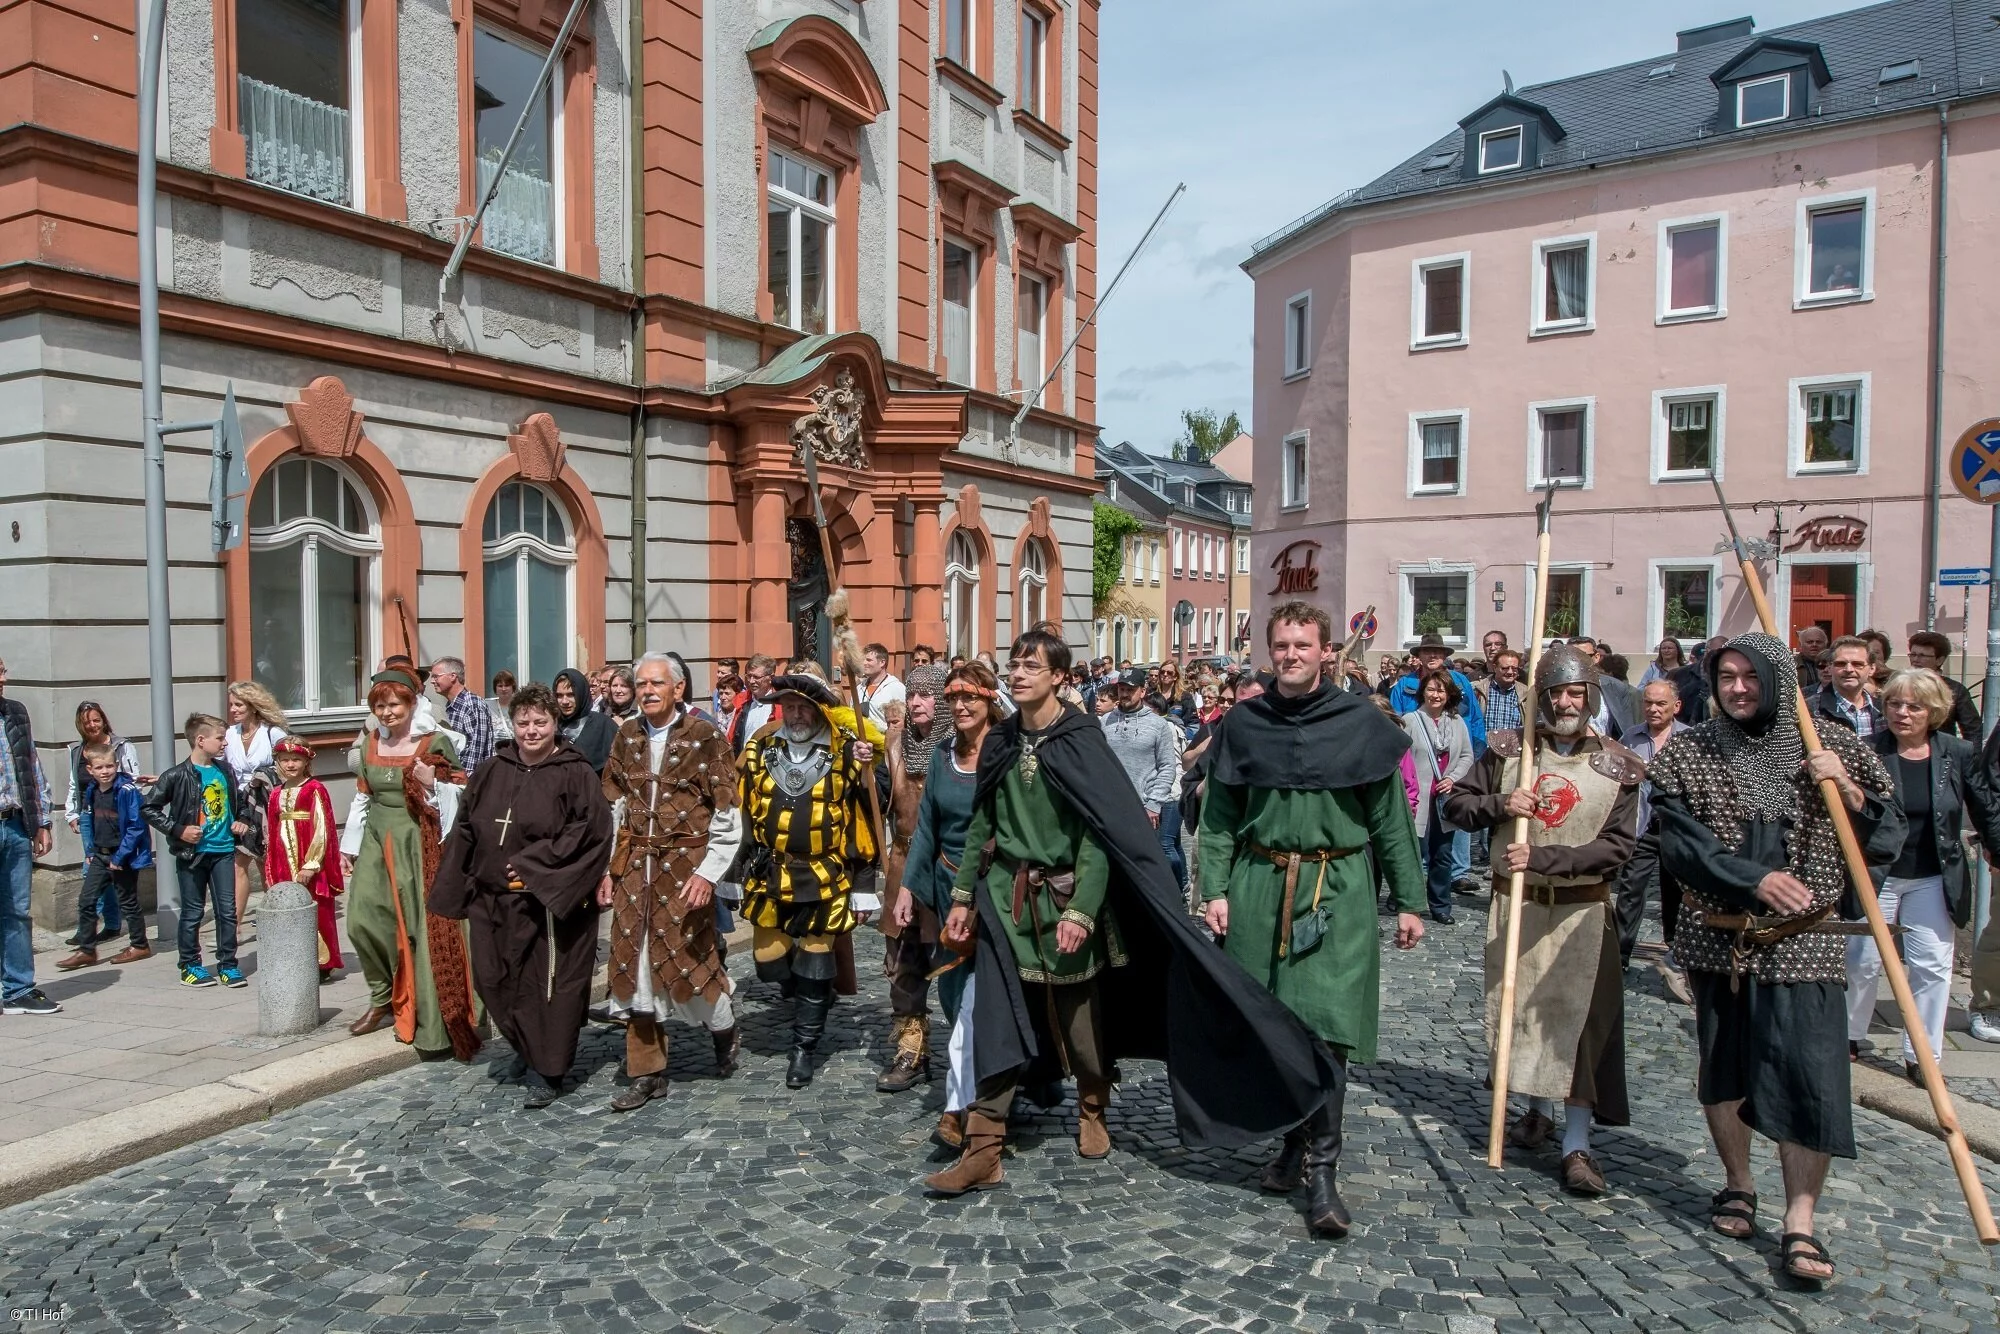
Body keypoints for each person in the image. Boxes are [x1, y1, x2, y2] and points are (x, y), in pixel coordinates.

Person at [925, 627, 1339, 1206]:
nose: (1017, 675)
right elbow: (982, 828)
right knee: (996, 1013)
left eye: (1030, 667)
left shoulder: (1079, 740)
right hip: (1005, 900)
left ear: (1059, 678)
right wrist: (965, 895)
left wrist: (1083, 909)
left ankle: (1093, 1103)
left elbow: (1102, 836)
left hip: (1068, 899)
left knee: (1079, 1019)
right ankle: (983, 1149)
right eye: (1013, 665)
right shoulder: (999, 742)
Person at [1649, 632, 1903, 1287]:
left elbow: (1887, 835)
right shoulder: (1692, 749)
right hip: (1720, 935)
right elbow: (1680, 844)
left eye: (1750, 677)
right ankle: (1738, 1182)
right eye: (1727, 676)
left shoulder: (1834, 743)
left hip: (1806, 939)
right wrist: (1750, 879)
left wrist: (1844, 788)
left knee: (1810, 1078)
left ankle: (1801, 1220)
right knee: (1725, 1070)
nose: (1737, 688)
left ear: (1780, 681)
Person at [1197, 603, 1426, 1237]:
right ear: (1269, 650)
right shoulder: (1245, 723)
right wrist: (1211, 889)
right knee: (1271, 1029)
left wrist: (1410, 900)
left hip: (1337, 890)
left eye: (1303, 644)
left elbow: (1390, 823)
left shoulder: (1359, 723)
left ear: (1327, 651)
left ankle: (1322, 1171)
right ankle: (1294, 1143)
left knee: (1326, 1031)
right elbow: (1217, 819)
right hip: (1258, 886)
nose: (1292, 654)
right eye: (1282, 644)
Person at [1442, 646, 1644, 1197]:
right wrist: (1502, 803)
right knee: (1520, 1011)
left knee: (1579, 1026)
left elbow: (1617, 849)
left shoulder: (1619, 766)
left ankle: (1577, 1145)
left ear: (1592, 696)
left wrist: (1548, 859)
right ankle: (1533, 1108)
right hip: (1519, 904)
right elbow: (1456, 807)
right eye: (1555, 692)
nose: (1564, 702)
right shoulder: (1509, 752)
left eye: (1575, 691)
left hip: (1583, 910)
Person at [430, 684, 611, 1108]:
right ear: (512, 724)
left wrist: (536, 866)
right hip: (492, 899)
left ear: (554, 724)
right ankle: (526, 1048)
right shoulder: (495, 767)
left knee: (544, 987)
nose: (531, 731)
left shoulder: (574, 771)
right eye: (523, 722)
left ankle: (547, 1068)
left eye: (540, 722)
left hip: (547, 903)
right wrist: (454, 886)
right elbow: (467, 827)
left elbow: (589, 832)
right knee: (493, 980)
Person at [595, 653, 743, 1111]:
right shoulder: (627, 736)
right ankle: (648, 1073)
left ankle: (724, 1031)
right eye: (641, 684)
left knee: (692, 967)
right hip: (635, 870)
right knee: (633, 968)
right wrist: (606, 869)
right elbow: (612, 809)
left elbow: (727, 813)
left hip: (684, 871)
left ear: (679, 688)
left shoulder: (706, 737)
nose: (647, 691)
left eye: (656, 683)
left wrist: (707, 873)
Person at [1847, 670, 2000, 1079]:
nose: (1902, 713)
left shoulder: (1957, 752)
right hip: (1877, 873)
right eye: (1894, 703)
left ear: (1933, 711)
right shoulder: (1867, 750)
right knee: (1862, 960)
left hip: (1934, 874)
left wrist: (1996, 846)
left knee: (1931, 965)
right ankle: (1850, 1033)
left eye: (1913, 706)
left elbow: (1983, 802)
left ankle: (1923, 1056)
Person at [738, 672, 880, 1088]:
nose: (796, 714)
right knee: (768, 961)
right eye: (790, 707)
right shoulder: (762, 748)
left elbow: (867, 819)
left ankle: (804, 1047)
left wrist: (864, 886)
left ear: (820, 711)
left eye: (805, 707)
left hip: (825, 874)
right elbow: (742, 813)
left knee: (817, 962)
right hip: (770, 870)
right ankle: (809, 991)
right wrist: (733, 871)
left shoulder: (847, 756)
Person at [337, 668, 480, 1059]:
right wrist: (348, 847)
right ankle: (384, 995)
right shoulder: (369, 745)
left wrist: (432, 783)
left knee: (418, 927)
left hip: (419, 843)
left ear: (412, 703)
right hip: (376, 841)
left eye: (394, 704)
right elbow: (364, 797)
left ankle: (426, 1012)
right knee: (362, 920)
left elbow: (464, 793)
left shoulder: (433, 742)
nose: (386, 713)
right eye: (379, 706)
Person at [888, 664, 995, 1136]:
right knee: (953, 993)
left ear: (989, 700)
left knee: (993, 995)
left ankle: (997, 1091)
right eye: (952, 698)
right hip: (941, 886)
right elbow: (926, 823)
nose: (959, 706)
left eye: (968, 697)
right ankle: (965, 1094)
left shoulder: (1004, 752)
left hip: (994, 889)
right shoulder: (941, 756)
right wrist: (909, 887)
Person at [877, 663, 955, 1095]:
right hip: (904, 861)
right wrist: (866, 772)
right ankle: (911, 1047)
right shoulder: (894, 743)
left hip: (949, 867)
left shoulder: (961, 747)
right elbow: (883, 799)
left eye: (926, 695)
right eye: (911, 694)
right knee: (903, 962)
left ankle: (973, 1045)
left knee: (960, 959)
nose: (916, 702)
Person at [142, 713, 249, 989]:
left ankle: (228, 964)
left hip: (223, 850)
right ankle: (190, 965)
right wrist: (178, 830)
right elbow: (148, 808)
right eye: (220, 738)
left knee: (227, 910)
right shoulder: (177, 775)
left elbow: (240, 804)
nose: (225, 743)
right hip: (193, 854)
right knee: (193, 912)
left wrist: (241, 821)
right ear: (200, 740)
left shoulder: (225, 771)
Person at [55, 742, 153, 970]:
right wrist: (90, 851)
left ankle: (140, 945)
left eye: (109, 766)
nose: (105, 771)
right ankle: (87, 949)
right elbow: (89, 819)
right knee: (87, 900)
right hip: (100, 854)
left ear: (117, 765)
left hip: (122, 856)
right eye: (99, 768)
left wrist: (120, 857)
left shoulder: (126, 791)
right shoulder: (92, 790)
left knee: (128, 902)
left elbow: (136, 827)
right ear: (90, 770)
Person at [1615, 680, 1688, 969]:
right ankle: (1620, 954)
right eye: (1648, 703)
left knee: (1677, 895)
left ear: (1676, 707)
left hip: (1676, 828)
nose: (1653, 709)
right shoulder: (1631, 738)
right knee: (1631, 890)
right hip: (1642, 827)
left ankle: (1678, 952)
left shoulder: (1691, 739)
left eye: (1660, 704)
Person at [0, 657, 58, 1014]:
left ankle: (19, 988)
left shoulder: (15, 713)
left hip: (15, 823)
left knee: (17, 910)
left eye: (3, 670)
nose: (4, 677)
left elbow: (31, 767)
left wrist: (42, 821)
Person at [263, 737, 344, 981]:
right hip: (282, 858)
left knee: (316, 908)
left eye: (296, 759)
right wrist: (271, 866)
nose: (290, 765)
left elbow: (322, 827)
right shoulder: (277, 792)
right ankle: (294, 957)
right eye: (285, 760)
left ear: (306, 761)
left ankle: (322, 962)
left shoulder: (314, 789)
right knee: (288, 908)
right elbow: (273, 827)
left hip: (306, 856)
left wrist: (311, 863)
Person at [63, 702, 142, 946]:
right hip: (90, 813)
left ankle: (95, 931)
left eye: (96, 720)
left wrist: (129, 809)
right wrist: (72, 813)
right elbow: (75, 784)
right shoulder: (78, 750)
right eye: (87, 722)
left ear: (103, 720)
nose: (92, 725)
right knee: (95, 869)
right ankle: (107, 925)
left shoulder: (120, 745)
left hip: (116, 812)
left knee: (102, 873)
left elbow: (134, 779)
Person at [1101, 668, 1184, 890]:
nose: (1125, 694)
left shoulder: (1159, 725)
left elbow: (1167, 767)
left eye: (1130, 690)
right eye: (1121, 689)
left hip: (1144, 809)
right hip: (1111, 809)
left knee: (1145, 870)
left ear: (1142, 691)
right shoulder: (1104, 721)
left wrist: (1154, 804)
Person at [1403, 670, 1474, 924]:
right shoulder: (1410, 720)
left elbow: (1467, 755)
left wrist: (1452, 778)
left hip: (1445, 798)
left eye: (1441, 690)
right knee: (1415, 852)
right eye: (1431, 689)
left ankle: (1440, 905)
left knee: (1442, 853)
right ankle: (1408, 902)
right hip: (1418, 797)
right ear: (1423, 692)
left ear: (1449, 694)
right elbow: (1402, 757)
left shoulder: (1456, 722)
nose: (1436, 695)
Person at [224, 681, 288, 937]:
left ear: (252, 705)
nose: (233, 710)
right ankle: (234, 927)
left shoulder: (272, 733)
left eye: (238, 704)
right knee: (239, 863)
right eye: (231, 705)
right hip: (240, 804)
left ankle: (275, 919)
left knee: (265, 863)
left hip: (267, 802)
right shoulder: (229, 734)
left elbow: (288, 765)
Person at [1389, 633, 1488, 755]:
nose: (1432, 655)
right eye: (1427, 652)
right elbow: (1394, 724)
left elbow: (1475, 719)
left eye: (1437, 651)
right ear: (1419, 656)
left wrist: (1475, 756)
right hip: (1418, 756)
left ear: (1444, 655)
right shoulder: (1404, 685)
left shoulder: (1461, 681)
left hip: (1456, 756)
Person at [1905, 631, 1981, 741]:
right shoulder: (1901, 685)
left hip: (1942, 753)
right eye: (1913, 654)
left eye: (1922, 656)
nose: (1915, 660)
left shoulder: (1955, 690)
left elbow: (1973, 730)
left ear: (1939, 660)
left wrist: (1971, 757)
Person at [430, 657, 495, 774]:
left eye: (436, 676)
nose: (432, 681)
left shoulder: (472, 704)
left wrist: (463, 783)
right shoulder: (451, 706)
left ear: (453, 676)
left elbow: (475, 750)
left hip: (472, 782)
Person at [1814, 636, 1883, 740]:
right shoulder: (1811, 710)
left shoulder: (1885, 710)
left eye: (1857, 664)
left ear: (1872, 669)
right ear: (1829, 667)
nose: (1849, 669)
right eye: (1840, 664)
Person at [552, 668, 617, 773]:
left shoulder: (603, 725)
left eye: (571, 695)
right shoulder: (552, 725)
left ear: (581, 693)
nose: (564, 701)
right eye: (559, 695)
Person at [728, 655, 780, 752]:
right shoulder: (741, 701)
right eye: (749, 676)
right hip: (743, 762)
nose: (751, 681)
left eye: (756, 677)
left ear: (770, 678)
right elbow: (730, 737)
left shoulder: (780, 704)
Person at [858, 642, 906, 731]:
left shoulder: (896, 688)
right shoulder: (859, 689)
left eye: (869, 660)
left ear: (882, 663)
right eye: (863, 660)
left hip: (887, 741)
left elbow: (905, 718)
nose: (864, 663)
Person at [1794, 627, 1829, 691]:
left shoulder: (1835, 664)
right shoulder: (1791, 665)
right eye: (1809, 642)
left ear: (1825, 645)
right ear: (1800, 645)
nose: (1814, 645)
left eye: (1818, 642)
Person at [488, 670, 516, 742]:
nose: (503, 689)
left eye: (507, 685)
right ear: (495, 689)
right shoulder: (487, 706)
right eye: (500, 686)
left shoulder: (520, 706)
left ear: (513, 687)